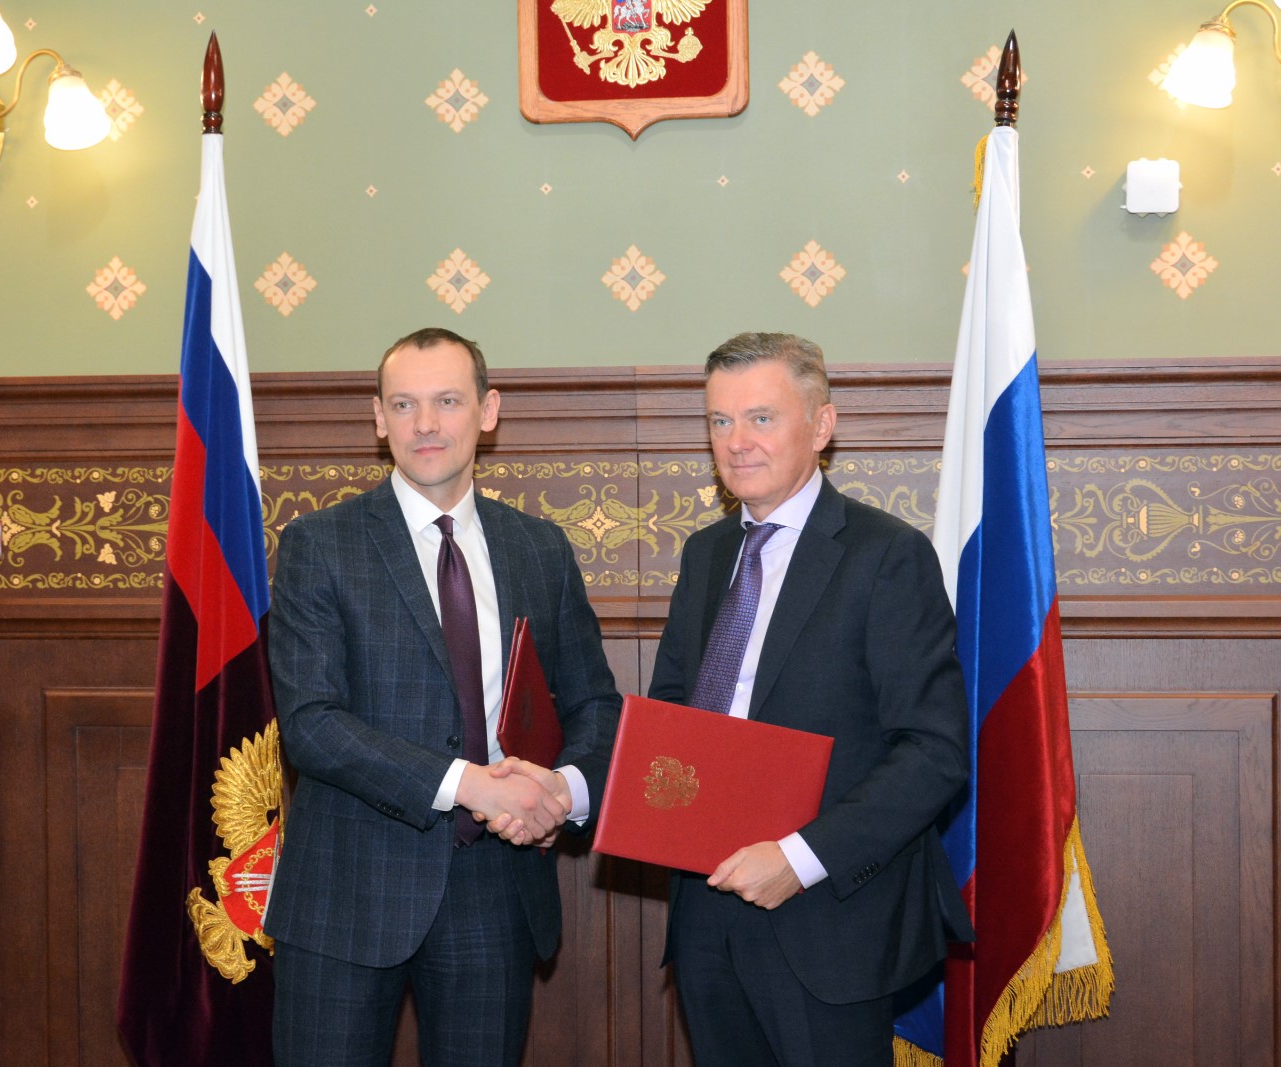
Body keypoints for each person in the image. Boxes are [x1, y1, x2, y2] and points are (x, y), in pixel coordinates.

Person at [265, 327, 621, 1066]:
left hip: (494, 888)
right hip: (348, 892)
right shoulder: (318, 545)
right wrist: (471, 785)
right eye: (405, 404)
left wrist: (561, 792)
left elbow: (594, 704)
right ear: (379, 417)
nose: (426, 423)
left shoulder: (540, 548)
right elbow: (311, 724)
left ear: (488, 411)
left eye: (448, 401)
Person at [648, 332, 974, 1067]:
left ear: (822, 426)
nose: (736, 442)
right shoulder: (705, 554)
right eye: (720, 420)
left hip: (828, 921)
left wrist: (800, 858)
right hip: (705, 915)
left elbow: (934, 751)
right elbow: (672, 716)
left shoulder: (886, 555)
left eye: (761, 418)